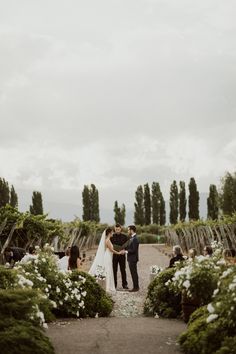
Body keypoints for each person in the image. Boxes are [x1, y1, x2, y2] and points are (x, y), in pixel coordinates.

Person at [89, 227, 124, 292]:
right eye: (112, 232)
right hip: (107, 256)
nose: (113, 233)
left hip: (109, 256)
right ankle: (107, 287)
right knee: (108, 270)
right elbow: (111, 250)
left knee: (108, 269)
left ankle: (107, 286)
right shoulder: (107, 240)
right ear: (109, 233)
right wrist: (119, 253)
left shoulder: (108, 239)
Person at [111, 223, 129, 289]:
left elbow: (127, 246)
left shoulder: (125, 236)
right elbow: (110, 246)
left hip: (122, 256)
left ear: (120, 229)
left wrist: (124, 251)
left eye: (118, 229)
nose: (117, 230)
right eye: (116, 229)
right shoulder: (112, 236)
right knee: (114, 270)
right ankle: (114, 284)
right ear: (114, 229)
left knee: (123, 270)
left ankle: (124, 284)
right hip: (114, 256)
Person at [126, 225, 140, 292]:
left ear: (131, 230)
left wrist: (126, 251)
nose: (128, 231)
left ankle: (136, 287)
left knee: (134, 273)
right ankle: (136, 286)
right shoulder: (132, 238)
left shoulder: (135, 239)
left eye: (128, 230)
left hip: (133, 259)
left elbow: (134, 250)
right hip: (131, 258)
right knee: (133, 273)